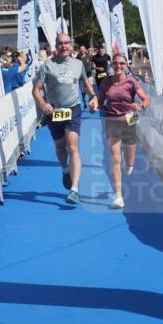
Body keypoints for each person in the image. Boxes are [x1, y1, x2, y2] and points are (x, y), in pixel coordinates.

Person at [33, 33, 99, 203]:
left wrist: (93, 96)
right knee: (61, 147)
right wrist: (42, 104)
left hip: (73, 109)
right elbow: (36, 90)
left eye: (67, 43)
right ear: (56, 46)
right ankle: (65, 169)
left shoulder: (78, 64)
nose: (64, 46)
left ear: (71, 45)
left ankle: (75, 190)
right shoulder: (47, 66)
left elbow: (85, 83)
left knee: (72, 146)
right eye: (60, 43)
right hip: (54, 111)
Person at [99, 53, 151, 209]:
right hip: (112, 119)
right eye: (115, 63)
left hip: (130, 118)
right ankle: (118, 196)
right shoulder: (105, 82)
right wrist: (96, 103)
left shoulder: (131, 81)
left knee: (129, 157)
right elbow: (101, 100)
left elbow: (147, 100)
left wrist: (140, 106)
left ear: (126, 65)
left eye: (122, 63)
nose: (118, 66)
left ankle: (129, 162)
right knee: (115, 158)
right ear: (112, 65)